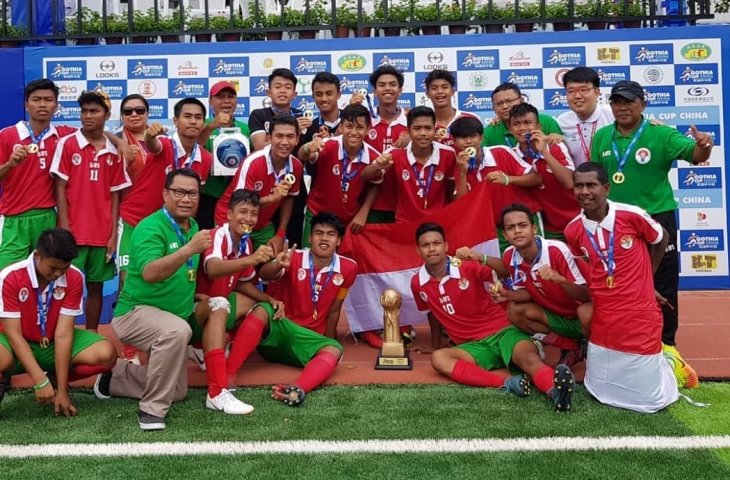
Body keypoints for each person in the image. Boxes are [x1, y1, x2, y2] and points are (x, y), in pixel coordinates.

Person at [590, 80, 713, 388]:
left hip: (657, 221)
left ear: (643, 104)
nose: (622, 107)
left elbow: (695, 156)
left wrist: (704, 145)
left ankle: (668, 349)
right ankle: (627, 348)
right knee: (619, 287)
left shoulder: (660, 133)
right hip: (617, 223)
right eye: (617, 101)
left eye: (629, 102)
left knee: (663, 285)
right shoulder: (603, 136)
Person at [411, 222, 575, 412]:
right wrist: (435, 344)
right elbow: (432, 313)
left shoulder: (468, 267)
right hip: (472, 346)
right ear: (418, 250)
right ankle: (508, 383)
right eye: (425, 245)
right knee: (439, 359)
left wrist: (480, 258)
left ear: (446, 246)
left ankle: (556, 392)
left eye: (436, 243)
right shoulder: (417, 283)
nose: (432, 249)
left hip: (503, 331)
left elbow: (505, 271)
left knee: (529, 359)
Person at [94, 169, 212, 431]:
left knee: (178, 391)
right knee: (178, 331)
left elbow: (183, 270)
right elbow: (150, 273)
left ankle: (115, 378)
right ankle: (151, 411)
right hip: (134, 313)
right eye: (179, 192)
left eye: (192, 193)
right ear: (165, 194)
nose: (186, 199)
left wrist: (193, 292)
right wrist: (189, 249)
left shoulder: (190, 227)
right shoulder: (150, 227)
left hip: (166, 318)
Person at [564, 163, 679, 412]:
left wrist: (647, 279)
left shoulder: (631, 215)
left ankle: (670, 365)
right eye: (579, 186)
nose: (584, 191)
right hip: (605, 308)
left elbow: (661, 239)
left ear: (606, 188)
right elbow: (589, 264)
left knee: (649, 400)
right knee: (601, 387)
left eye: (591, 185)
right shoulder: (573, 230)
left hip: (638, 307)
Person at [228, 212, 357, 407]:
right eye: (318, 233)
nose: (324, 238)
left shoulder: (349, 268)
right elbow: (265, 274)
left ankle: (297, 390)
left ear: (339, 240)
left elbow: (334, 310)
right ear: (309, 237)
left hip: (307, 343)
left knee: (334, 349)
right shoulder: (293, 257)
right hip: (281, 329)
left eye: (330, 234)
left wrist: (328, 338)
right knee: (262, 309)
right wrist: (277, 264)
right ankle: (228, 375)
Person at [0, 228, 117, 415]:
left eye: (64, 268)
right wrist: (39, 380)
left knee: (106, 354)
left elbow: (63, 333)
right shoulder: (11, 276)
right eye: (53, 268)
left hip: (53, 342)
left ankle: (56, 380)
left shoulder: (74, 276)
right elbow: (13, 333)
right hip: (16, 343)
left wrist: (62, 390)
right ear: (37, 255)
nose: (58, 274)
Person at [190, 189, 285, 414]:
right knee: (220, 303)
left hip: (213, 306)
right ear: (228, 214)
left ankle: (206, 350)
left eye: (253, 214)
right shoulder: (217, 236)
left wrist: (270, 298)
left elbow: (244, 283)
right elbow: (212, 269)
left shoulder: (245, 241)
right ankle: (216, 391)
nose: (248, 219)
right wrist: (251, 259)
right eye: (243, 212)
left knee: (259, 307)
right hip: (193, 309)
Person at [50, 90, 131, 333]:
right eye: (84, 111)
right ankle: (60, 335)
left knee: (95, 287)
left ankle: (92, 334)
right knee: (63, 286)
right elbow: (60, 187)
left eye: (94, 111)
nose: (87, 116)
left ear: (107, 115)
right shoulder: (67, 143)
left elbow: (116, 193)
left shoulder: (114, 150)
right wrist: (65, 229)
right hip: (73, 231)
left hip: (101, 234)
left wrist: (112, 235)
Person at [474, 204, 590, 364]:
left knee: (586, 312)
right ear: (505, 235)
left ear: (534, 228)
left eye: (522, 225)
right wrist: (506, 295)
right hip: (559, 315)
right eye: (511, 227)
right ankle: (571, 346)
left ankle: (595, 350)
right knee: (514, 310)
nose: (517, 231)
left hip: (583, 316)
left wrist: (560, 280)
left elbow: (586, 296)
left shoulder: (556, 250)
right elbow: (528, 293)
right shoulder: (510, 255)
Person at [117, 98, 213, 292]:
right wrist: (150, 136)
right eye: (187, 116)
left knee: (167, 280)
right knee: (127, 283)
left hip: (169, 228)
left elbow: (194, 200)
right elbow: (153, 145)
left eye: (198, 117)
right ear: (176, 121)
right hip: (134, 221)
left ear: (204, 123)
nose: (193, 121)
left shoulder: (205, 158)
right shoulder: (165, 145)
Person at [0, 79, 76, 271]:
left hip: (48, 217)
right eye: (36, 99)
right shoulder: (7, 135)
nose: (42, 104)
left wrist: (119, 142)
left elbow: (95, 133)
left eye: (48, 100)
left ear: (56, 105)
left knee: (45, 277)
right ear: (26, 104)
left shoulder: (64, 136)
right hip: (14, 218)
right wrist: (10, 164)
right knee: (7, 276)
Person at [449, 116, 541, 252]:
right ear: (454, 141)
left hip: (524, 221)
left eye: (473, 136)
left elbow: (536, 178)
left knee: (537, 260)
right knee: (503, 267)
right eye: (463, 138)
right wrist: (462, 173)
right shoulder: (456, 166)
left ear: (481, 138)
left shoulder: (501, 152)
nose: (468, 141)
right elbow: (463, 205)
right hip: (491, 230)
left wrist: (508, 179)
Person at [215, 115, 304, 255]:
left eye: (290, 136)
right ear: (269, 138)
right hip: (233, 220)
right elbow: (240, 204)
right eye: (279, 136)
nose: (285, 142)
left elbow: (288, 198)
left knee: (273, 265)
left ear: (297, 139)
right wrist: (272, 199)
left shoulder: (296, 166)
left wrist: (280, 233)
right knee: (233, 267)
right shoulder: (253, 162)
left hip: (261, 226)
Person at [298, 104, 382, 245]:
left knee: (341, 264)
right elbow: (302, 155)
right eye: (349, 126)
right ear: (341, 127)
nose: (354, 132)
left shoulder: (373, 156)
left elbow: (375, 184)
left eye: (360, 127)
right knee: (311, 261)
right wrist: (308, 147)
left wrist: (364, 212)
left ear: (368, 129)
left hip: (348, 219)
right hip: (317, 214)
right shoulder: (329, 145)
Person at [369, 106, 465, 224]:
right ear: (408, 131)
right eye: (417, 128)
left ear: (435, 130)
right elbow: (365, 175)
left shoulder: (448, 153)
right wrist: (377, 166)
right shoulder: (395, 154)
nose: (423, 133)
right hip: (405, 223)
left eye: (428, 128)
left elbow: (451, 189)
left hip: (438, 223)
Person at [247, 68, 310, 247]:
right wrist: (292, 127)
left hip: (292, 185)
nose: (282, 91)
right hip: (264, 189)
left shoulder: (304, 116)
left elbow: (306, 153)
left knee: (290, 244)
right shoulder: (259, 115)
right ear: (268, 91)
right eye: (277, 86)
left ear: (295, 93)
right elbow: (260, 147)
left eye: (287, 87)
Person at [508, 103, 579, 239]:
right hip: (548, 227)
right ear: (511, 129)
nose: (522, 128)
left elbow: (569, 182)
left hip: (576, 219)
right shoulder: (512, 155)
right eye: (516, 124)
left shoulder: (555, 146)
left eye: (527, 123)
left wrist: (544, 152)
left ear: (538, 127)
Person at [354, 65, 410, 224]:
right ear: (374, 91)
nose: (387, 88)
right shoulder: (363, 121)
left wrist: (412, 136)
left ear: (400, 90)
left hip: (403, 202)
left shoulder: (411, 124)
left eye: (392, 84)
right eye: (382, 85)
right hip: (368, 204)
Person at [196, 81, 252, 230]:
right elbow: (194, 149)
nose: (226, 101)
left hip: (238, 197)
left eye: (230, 96)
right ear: (210, 101)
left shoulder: (245, 128)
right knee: (208, 242)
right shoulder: (202, 125)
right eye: (220, 97)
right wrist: (211, 126)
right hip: (208, 197)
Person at [557, 67, 614, 166]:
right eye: (571, 91)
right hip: (577, 180)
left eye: (583, 90)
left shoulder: (612, 115)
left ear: (597, 92)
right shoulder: (562, 122)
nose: (577, 96)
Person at [483, 83, 562, 148]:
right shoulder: (488, 133)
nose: (505, 106)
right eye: (499, 104)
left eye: (509, 101)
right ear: (493, 108)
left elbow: (561, 150)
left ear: (521, 101)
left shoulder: (547, 122)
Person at [423, 69, 478, 148]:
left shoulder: (470, 118)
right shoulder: (424, 124)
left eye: (444, 87)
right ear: (427, 94)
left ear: (452, 91)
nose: (440, 91)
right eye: (434, 88)